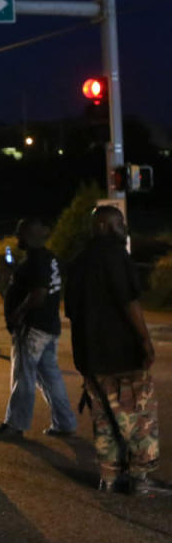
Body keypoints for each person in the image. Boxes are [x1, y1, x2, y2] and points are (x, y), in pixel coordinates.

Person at [65, 206, 168, 496]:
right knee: (138, 416)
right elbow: (129, 301)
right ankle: (140, 479)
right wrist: (145, 341)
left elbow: (72, 310)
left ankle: (109, 477)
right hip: (122, 354)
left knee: (104, 417)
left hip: (90, 356)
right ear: (105, 226)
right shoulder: (114, 254)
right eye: (119, 223)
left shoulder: (78, 261)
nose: (123, 228)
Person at [0, 218, 76, 441]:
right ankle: (64, 423)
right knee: (49, 376)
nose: (17, 238)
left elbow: (38, 294)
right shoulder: (49, 259)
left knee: (23, 376)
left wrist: (17, 314)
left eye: (21, 234)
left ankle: (15, 425)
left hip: (33, 327)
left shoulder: (35, 262)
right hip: (48, 326)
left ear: (30, 236)